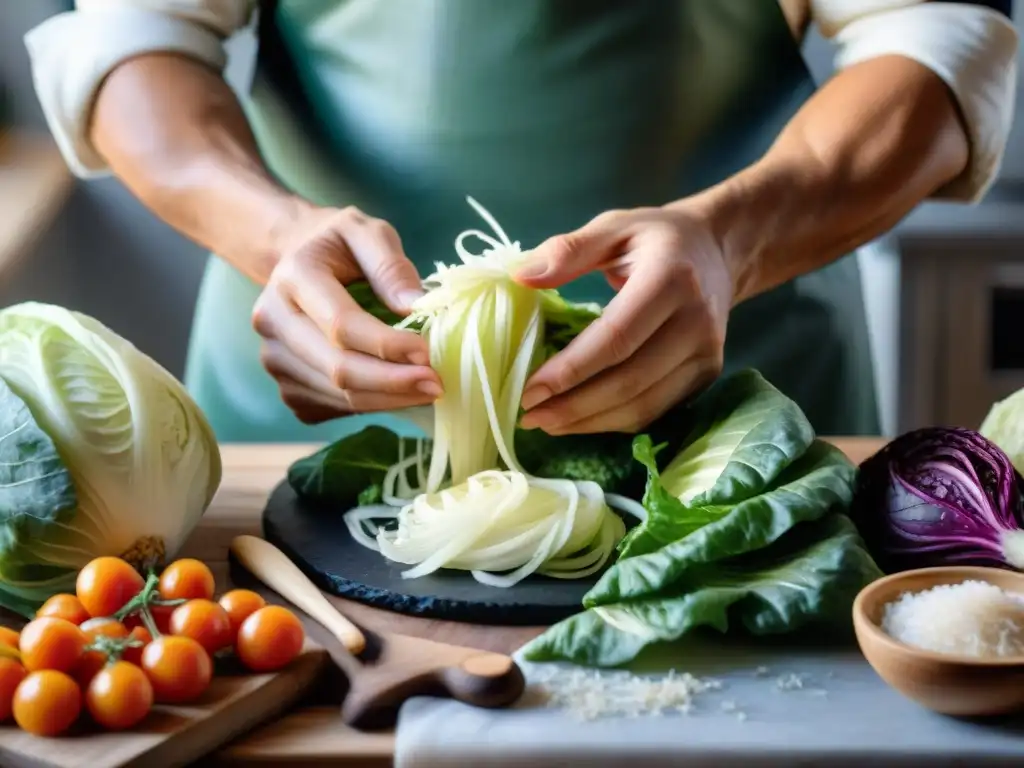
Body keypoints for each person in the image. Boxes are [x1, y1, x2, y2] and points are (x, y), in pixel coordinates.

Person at [25, 0, 1018, 443]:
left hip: (731, 401)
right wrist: (277, 236)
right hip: (320, 404)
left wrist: (728, 239)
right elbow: (133, 38)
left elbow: (932, 41)